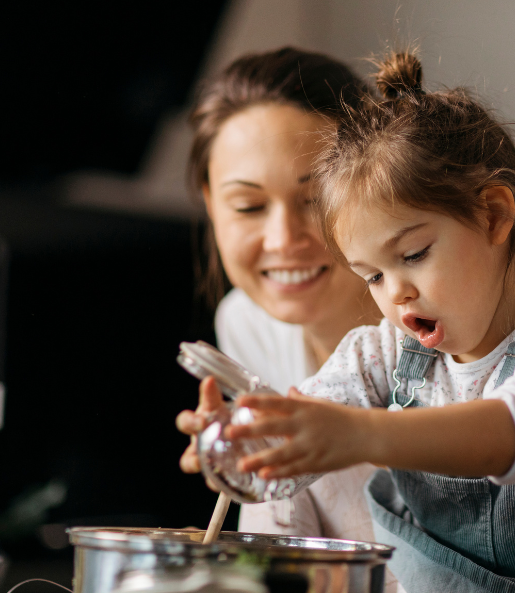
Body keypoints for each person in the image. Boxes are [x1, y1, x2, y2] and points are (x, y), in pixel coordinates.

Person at [224, 50, 515, 593]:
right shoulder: (385, 354)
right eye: (371, 276)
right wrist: (237, 446)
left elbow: (513, 434)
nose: (395, 292)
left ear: (494, 215)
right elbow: (295, 445)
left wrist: (359, 433)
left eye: (415, 254)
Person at [174, 48, 389, 550]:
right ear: (211, 203)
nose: (282, 238)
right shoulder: (247, 325)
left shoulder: (471, 309)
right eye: (248, 206)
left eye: (314, 200)